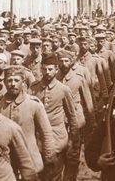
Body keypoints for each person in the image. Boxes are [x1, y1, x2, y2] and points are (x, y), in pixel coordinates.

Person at [0, 65, 56, 175]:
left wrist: (49, 158)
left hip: (29, 160)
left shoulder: (33, 104)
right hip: (6, 162)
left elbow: (46, 133)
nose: (13, 84)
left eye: (17, 80)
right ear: (5, 83)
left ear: (23, 82)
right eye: (9, 80)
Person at [30, 53, 79, 181]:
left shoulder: (64, 90)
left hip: (57, 139)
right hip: (37, 141)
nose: (47, 72)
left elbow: (72, 117)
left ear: (56, 69)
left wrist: (73, 140)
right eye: (45, 69)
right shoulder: (34, 88)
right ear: (41, 69)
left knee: (54, 175)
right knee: (39, 175)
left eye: (50, 69)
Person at [56, 50, 96, 181]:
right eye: (61, 61)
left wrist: (91, 120)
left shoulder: (79, 78)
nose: (64, 63)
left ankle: (70, 178)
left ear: (71, 62)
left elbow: (88, 100)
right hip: (59, 121)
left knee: (73, 154)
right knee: (59, 152)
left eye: (66, 61)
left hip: (76, 120)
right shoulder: (55, 78)